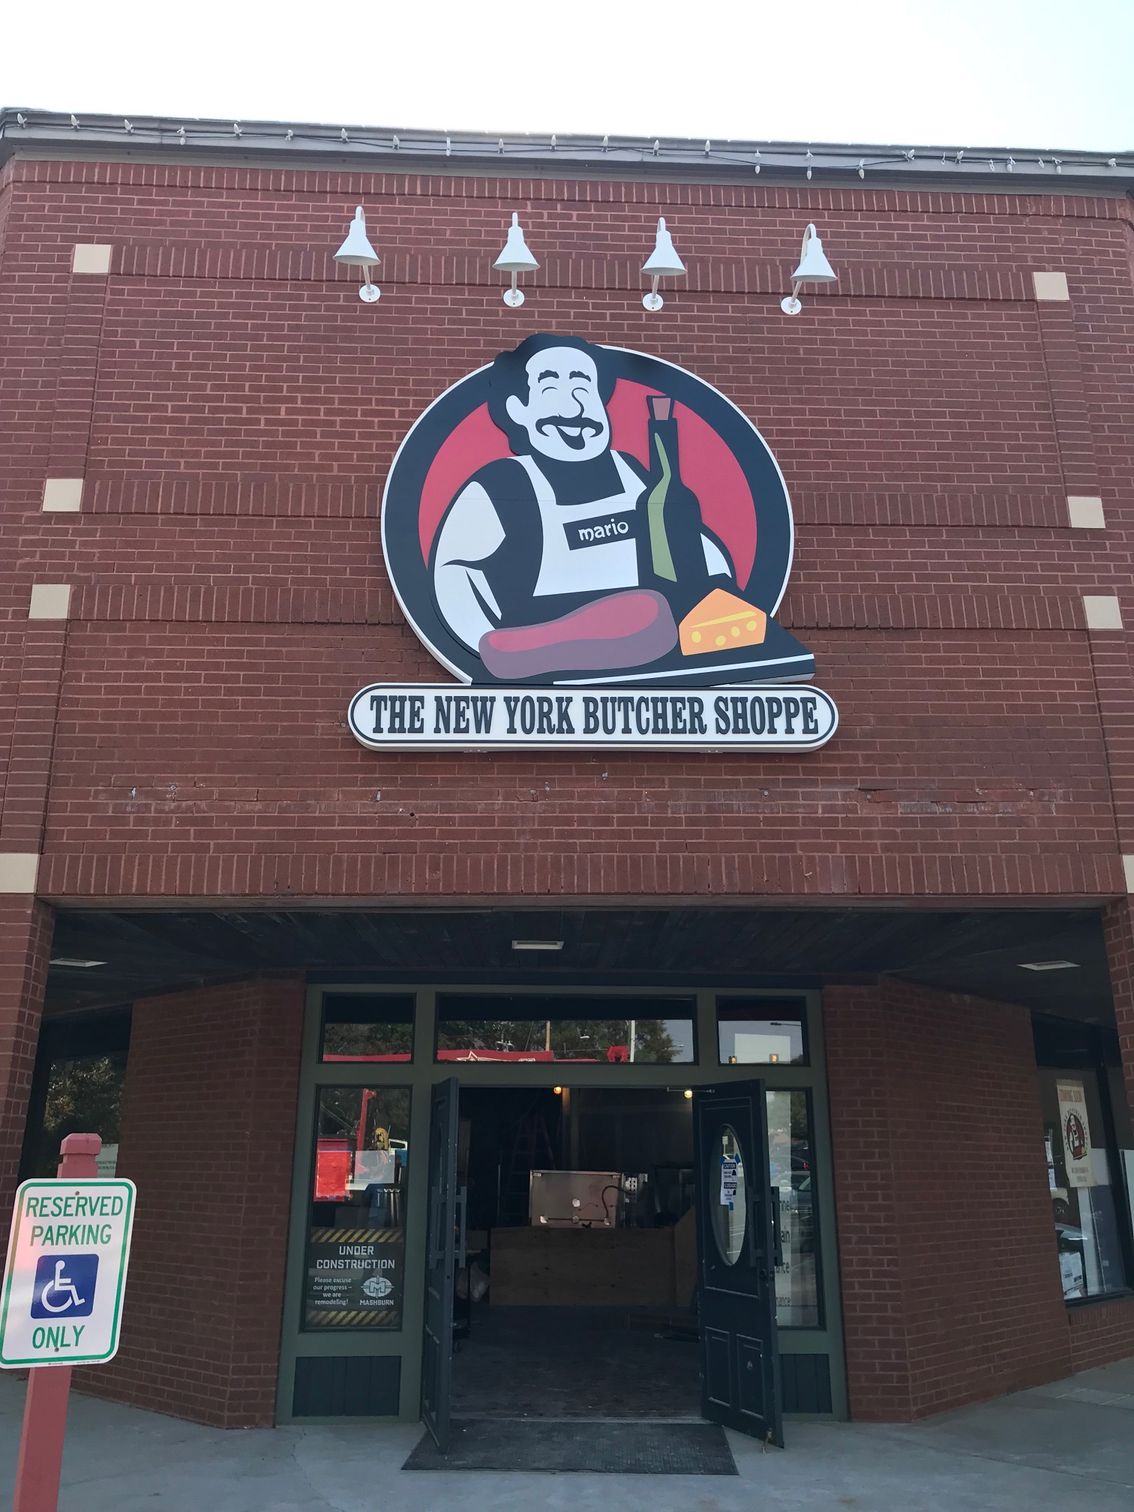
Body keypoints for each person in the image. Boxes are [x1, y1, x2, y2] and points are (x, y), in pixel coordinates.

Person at [430, 333, 731, 656]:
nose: (573, 408)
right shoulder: (502, 484)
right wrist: (489, 650)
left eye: (583, 388)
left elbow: (692, 543)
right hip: (548, 653)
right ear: (518, 410)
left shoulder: (630, 470)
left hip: (660, 646)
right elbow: (454, 573)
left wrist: (717, 602)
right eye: (550, 389)